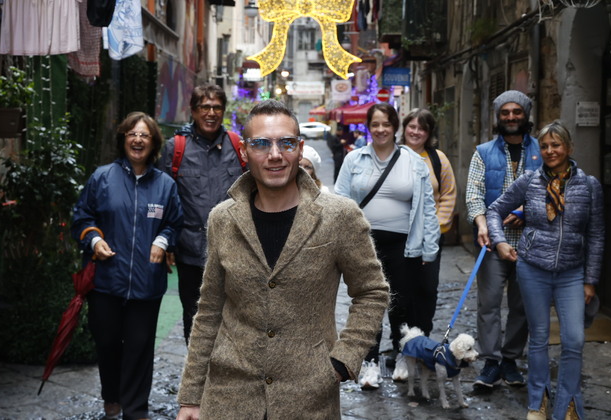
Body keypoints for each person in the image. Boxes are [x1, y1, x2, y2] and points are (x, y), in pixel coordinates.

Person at [175, 100, 389, 419]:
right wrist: (191, 396)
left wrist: (346, 358)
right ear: (245, 152)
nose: (275, 155)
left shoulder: (338, 216)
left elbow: (372, 291)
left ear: (299, 149)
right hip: (229, 396)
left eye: (285, 143)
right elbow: (209, 310)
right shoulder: (223, 219)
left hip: (308, 395)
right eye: (261, 144)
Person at [486, 120, 604, 420]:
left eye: (557, 144)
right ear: (540, 150)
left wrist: (590, 280)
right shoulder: (529, 181)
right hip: (533, 267)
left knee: (574, 339)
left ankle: (569, 404)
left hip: (572, 272)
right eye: (546, 146)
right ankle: (537, 401)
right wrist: (499, 242)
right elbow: (495, 210)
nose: (551, 151)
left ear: (569, 147)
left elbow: (596, 235)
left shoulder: (589, 186)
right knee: (538, 338)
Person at [72, 112, 185, 420]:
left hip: (147, 282)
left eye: (145, 135)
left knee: (139, 347)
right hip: (107, 279)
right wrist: (94, 240)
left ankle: (135, 409)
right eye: (132, 134)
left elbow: (174, 223)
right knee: (107, 342)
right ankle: (112, 397)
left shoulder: (165, 185)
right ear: (123, 139)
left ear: (154, 143)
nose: (138, 140)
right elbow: (82, 217)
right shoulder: (102, 177)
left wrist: (163, 242)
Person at [334, 102, 439, 388]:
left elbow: (428, 207)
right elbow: (340, 201)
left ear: (396, 128)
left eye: (386, 124)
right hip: (363, 244)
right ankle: (369, 362)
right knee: (368, 304)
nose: (381, 129)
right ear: (368, 128)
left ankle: (403, 354)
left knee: (401, 304)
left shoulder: (413, 162)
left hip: (404, 245)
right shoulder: (354, 159)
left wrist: (430, 247)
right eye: (375, 124)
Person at [465, 90, 541, 390]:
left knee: (522, 305)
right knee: (489, 303)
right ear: (498, 117)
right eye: (505, 113)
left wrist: (526, 210)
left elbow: (553, 190)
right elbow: (473, 194)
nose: (511, 117)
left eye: (516, 112)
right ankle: (491, 362)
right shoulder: (483, 152)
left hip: (532, 243)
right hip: (492, 243)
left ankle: (510, 360)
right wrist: (482, 223)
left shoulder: (542, 149)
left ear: (525, 115)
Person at [155, 83, 244, 344]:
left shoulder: (238, 147)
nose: (211, 113)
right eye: (205, 107)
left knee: (231, 317)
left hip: (232, 250)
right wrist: (166, 241)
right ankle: (197, 378)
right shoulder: (175, 148)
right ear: (193, 111)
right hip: (190, 251)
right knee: (193, 316)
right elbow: (165, 198)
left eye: (217, 107)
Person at [400, 108, 457, 335]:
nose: (416, 132)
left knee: (427, 289)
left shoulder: (437, 159)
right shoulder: (393, 156)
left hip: (429, 237)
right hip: (398, 237)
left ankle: (422, 336)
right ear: (404, 128)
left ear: (429, 132)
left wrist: (437, 229)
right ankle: (401, 341)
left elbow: (448, 195)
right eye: (412, 126)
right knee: (400, 291)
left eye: (422, 128)